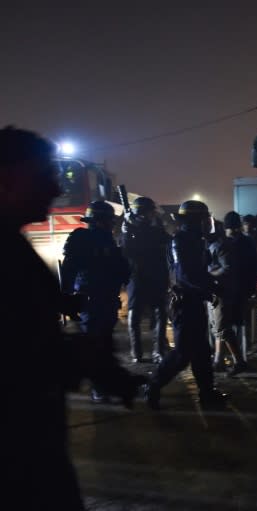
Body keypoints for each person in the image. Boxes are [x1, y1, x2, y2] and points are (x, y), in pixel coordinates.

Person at [0, 126, 144, 509]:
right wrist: (80, 358)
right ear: (9, 177)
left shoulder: (12, 245)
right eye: (43, 175)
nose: (53, 189)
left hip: (33, 443)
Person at [144, 199, 228, 409]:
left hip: (194, 301)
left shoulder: (195, 240)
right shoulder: (181, 241)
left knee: (201, 352)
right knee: (182, 354)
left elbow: (199, 272)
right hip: (184, 303)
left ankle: (207, 394)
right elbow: (187, 275)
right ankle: (153, 385)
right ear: (196, 220)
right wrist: (212, 288)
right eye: (203, 219)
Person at [61, 199, 132, 402]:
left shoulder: (108, 239)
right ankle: (98, 387)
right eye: (109, 220)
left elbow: (118, 266)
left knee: (105, 341)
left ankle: (104, 384)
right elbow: (68, 270)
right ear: (100, 221)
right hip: (90, 298)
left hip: (107, 298)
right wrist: (66, 299)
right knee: (94, 342)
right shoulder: (81, 239)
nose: (112, 224)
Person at [121, 195, 172, 364]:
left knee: (147, 313)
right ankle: (154, 352)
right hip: (146, 276)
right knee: (155, 313)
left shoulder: (130, 229)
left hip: (141, 277)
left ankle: (139, 352)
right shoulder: (132, 230)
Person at [209, 211, 257, 375]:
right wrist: (251, 287)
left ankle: (231, 360)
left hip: (226, 290)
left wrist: (210, 274)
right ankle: (220, 359)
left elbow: (225, 269)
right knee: (232, 325)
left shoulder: (223, 244)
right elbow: (255, 267)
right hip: (242, 289)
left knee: (222, 325)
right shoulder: (248, 242)